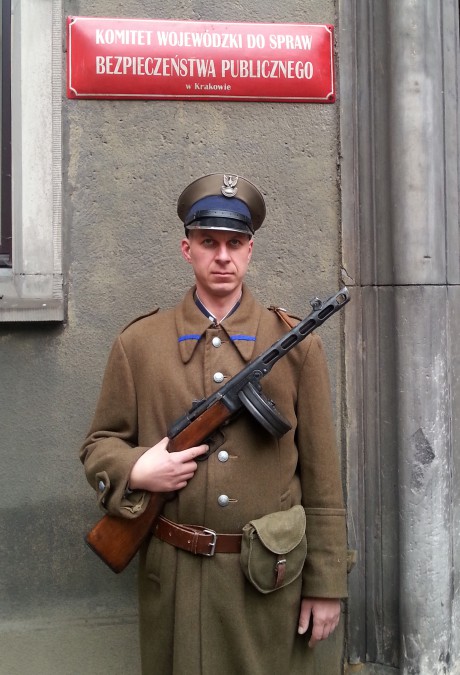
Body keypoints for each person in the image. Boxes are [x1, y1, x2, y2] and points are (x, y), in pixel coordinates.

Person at [80, 173, 349, 675]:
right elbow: (99, 444)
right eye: (208, 242)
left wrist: (327, 583)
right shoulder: (139, 344)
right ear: (187, 250)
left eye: (234, 243)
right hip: (175, 583)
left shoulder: (298, 347)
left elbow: (322, 479)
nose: (222, 256)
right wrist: (138, 469)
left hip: (270, 585)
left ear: (250, 250)